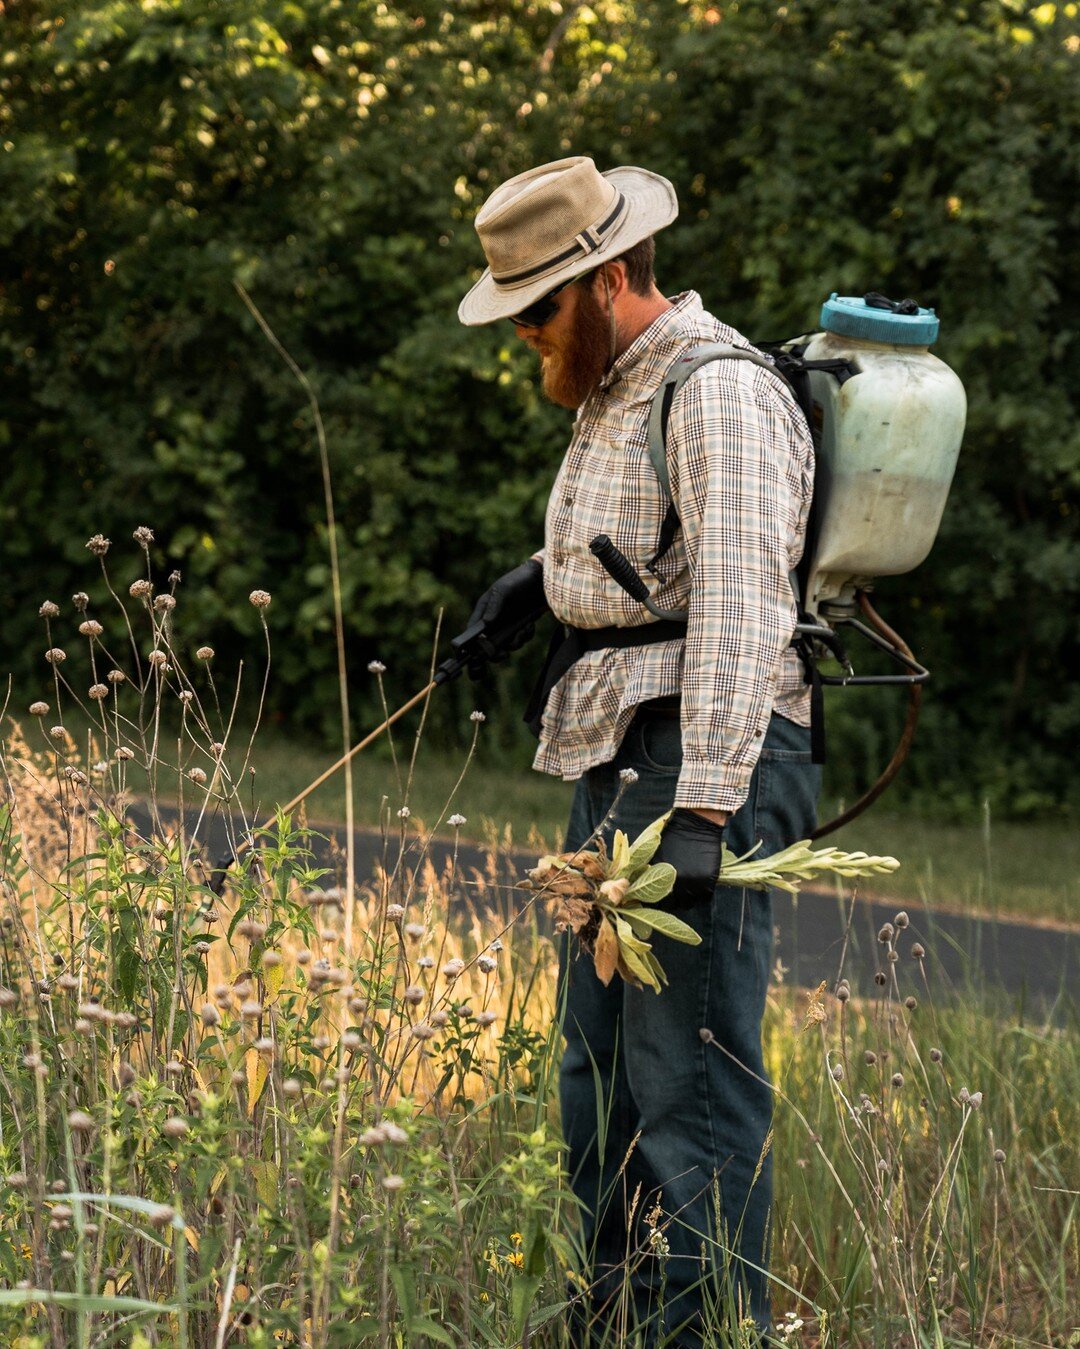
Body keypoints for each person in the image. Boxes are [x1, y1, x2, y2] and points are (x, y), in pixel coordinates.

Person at [458, 156, 820, 1345]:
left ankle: (703, 1329)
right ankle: (606, 1316)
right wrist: (542, 588)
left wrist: (709, 814)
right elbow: (645, 562)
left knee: (691, 1087)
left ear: (610, 275)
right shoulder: (621, 381)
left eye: (539, 308)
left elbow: (740, 611)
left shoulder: (718, 392)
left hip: (701, 762)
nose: (524, 335)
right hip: (626, 755)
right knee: (598, 1077)